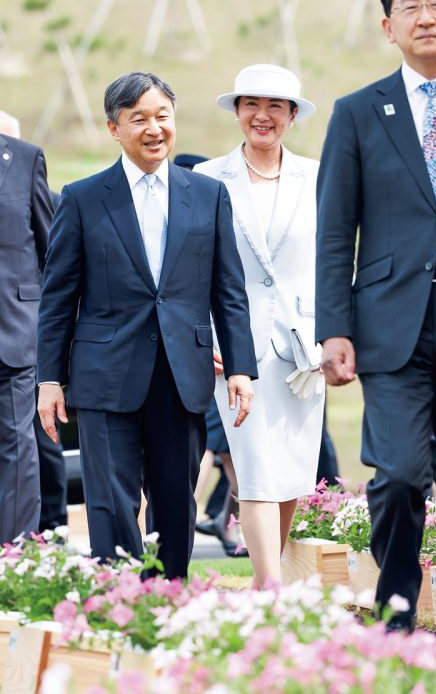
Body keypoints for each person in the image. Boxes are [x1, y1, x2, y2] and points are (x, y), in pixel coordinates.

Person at [315, 0, 436, 692]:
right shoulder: (358, 112)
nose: (426, 16)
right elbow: (336, 230)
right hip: (389, 328)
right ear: (387, 24)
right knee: (396, 477)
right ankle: (396, 628)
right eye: (409, 6)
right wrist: (335, 326)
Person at [37, 71, 257, 580]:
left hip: (183, 374)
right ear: (114, 128)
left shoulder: (208, 195)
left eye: (163, 116)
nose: (154, 129)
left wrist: (241, 366)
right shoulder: (83, 197)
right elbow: (57, 298)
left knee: (175, 501)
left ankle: (167, 603)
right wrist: (49, 379)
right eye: (140, 119)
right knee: (110, 505)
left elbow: (229, 289)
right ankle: (119, 606)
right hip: (103, 376)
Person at [194, 63, 324, 588]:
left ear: (292, 115)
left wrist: (335, 333)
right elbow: (192, 266)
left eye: (275, 106)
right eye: (251, 104)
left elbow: (336, 259)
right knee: (254, 465)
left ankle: (262, 585)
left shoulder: (319, 175)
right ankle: (271, 587)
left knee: (291, 468)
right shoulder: (206, 178)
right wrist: (206, 333)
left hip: (303, 346)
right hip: (235, 344)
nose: (262, 116)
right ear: (237, 111)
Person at [0, 110, 54, 544]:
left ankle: (13, 560)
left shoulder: (24, 159)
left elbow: (52, 252)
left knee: (18, 450)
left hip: (13, 332)